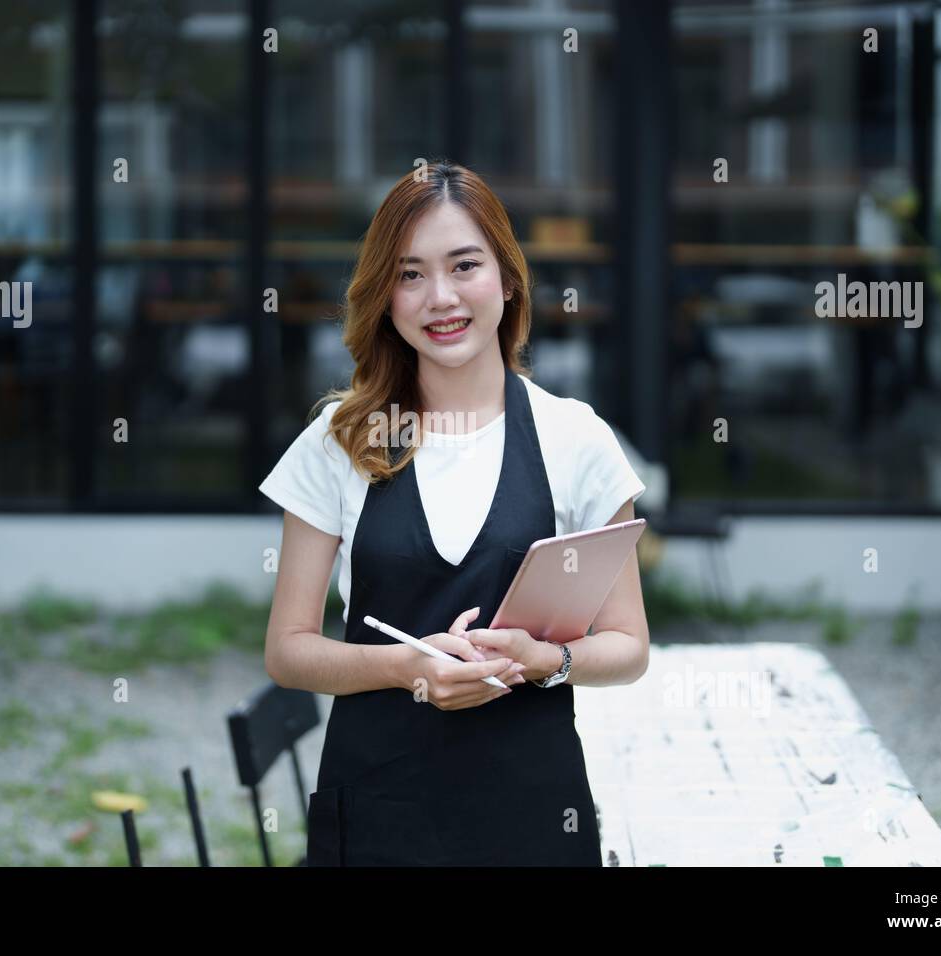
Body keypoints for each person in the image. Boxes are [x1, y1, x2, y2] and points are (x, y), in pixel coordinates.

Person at [259, 160, 650, 866]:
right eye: (409, 275)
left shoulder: (576, 439)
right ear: (384, 296)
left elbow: (628, 646)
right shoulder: (339, 441)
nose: (439, 297)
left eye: (463, 265)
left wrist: (543, 661)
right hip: (380, 813)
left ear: (506, 279)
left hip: (533, 816)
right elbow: (288, 650)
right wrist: (406, 667)